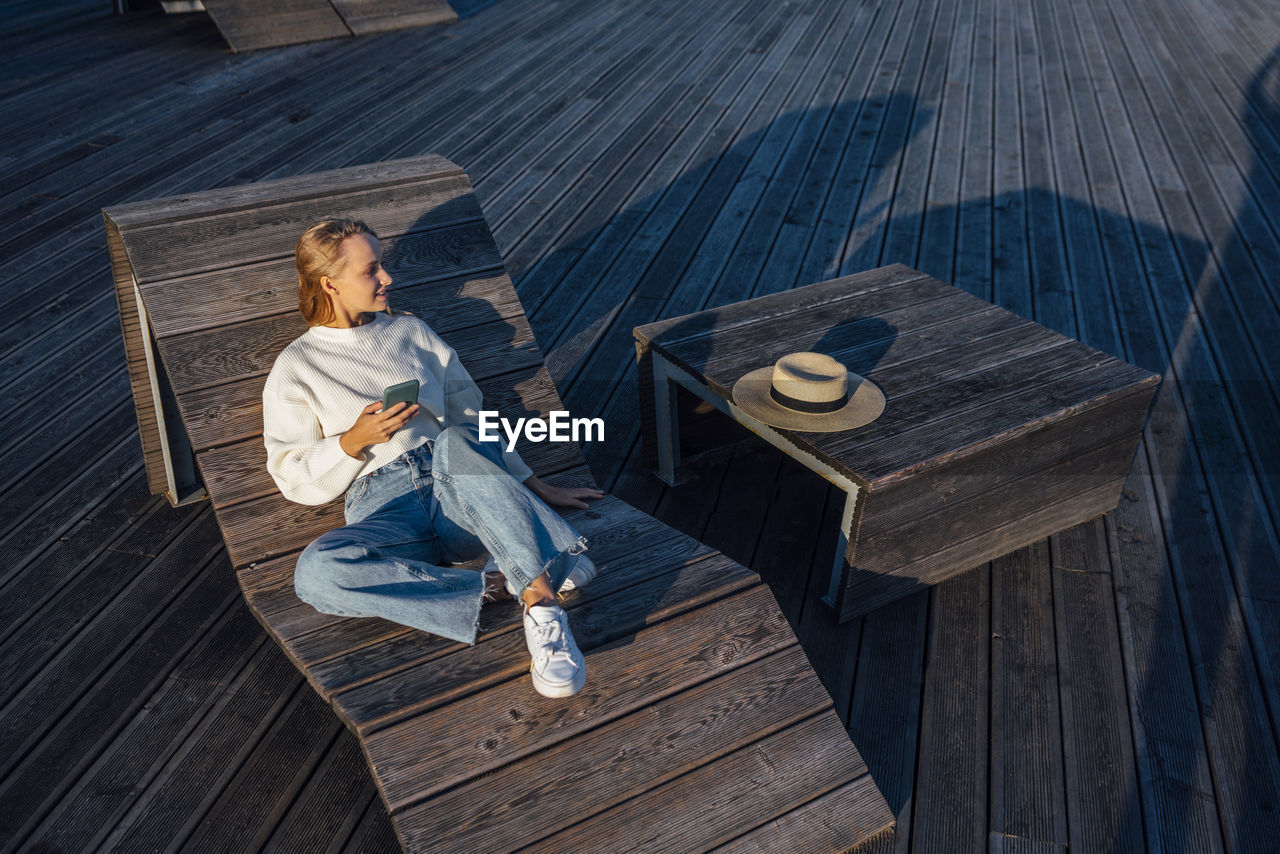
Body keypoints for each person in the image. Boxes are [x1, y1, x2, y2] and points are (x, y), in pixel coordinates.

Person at [262, 218, 603, 698]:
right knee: (316, 573)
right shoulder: (296, 367)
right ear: (329, 283)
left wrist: (534, 485)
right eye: (372, 270)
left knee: (454, 441)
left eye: (383, 267)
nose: (388, 280)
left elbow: (474, 419)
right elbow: (292, 478)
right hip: (385, 509)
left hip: (457, 491)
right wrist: (351, 440)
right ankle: (500, 580)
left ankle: (541, 606)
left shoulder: (411, 333)